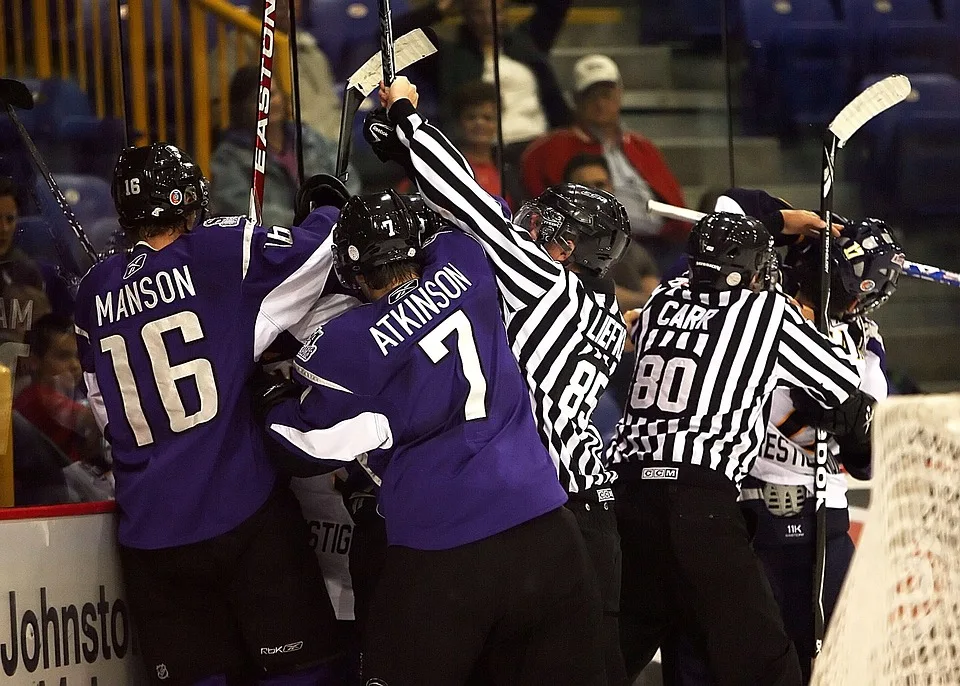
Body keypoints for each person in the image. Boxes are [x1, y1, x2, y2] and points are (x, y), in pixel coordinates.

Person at [263, 190, 604, 686]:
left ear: (353, 273)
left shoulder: (344, 343)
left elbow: (298, 443)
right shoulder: (466, 260)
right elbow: (466, 215)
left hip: (443, 554)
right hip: (547, 533)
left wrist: (270, 394)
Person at [366, 75, 631, 685]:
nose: (528, 230)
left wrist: (409, 118)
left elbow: (470, 206)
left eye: (545, 229)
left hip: (541, 518)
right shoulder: (598, 306)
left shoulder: (542, 280)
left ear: (565, 249)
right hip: (585, 516)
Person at [74, 142, 345, 685]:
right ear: (184, 200)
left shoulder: (90, 292)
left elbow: (107, 412)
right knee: (303, 674)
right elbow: (324, 252)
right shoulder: (217, 250)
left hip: (151, 534)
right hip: (241, 513)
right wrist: (326, 207)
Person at [611, 211, 877, 686]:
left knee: (618, 653)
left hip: (629, 496)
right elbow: (842, 388)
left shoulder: (661, 300)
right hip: (699, 503)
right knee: (765, 662)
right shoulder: (765, 313)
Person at [522, 54, 686, 245]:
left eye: (606, 95)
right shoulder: (548, 150)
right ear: (576, 99)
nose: (600, 104)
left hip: (664, 240)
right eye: (591, 96)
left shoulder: (642, 146)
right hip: (601, 246)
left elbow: (676, 204)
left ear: (619, 95)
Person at [210, 66, 359, 228]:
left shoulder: (307, 137)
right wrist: (302, 222)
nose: (269, 104)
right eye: (258, 99)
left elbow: (345, 173)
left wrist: (342, 210)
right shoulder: (228, 156)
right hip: (273, 242)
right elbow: (238, 206)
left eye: (272, 94)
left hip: (330, 228)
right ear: (242, 108)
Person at [438, 0, 572, 161]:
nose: (488, 20)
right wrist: (440, 8)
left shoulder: (527, 41)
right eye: (479, 13)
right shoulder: (452, 57)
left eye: (496, 11)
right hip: (487, 152)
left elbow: (557, 5)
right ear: (466, 16)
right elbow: (403, 35)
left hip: (538, 144)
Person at [209, 0, 342, 141]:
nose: (284, 2)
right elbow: (221, 116)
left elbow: (332, 106)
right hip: (289, 153)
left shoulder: (310, 47)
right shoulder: (234, 50)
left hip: (338, 149)